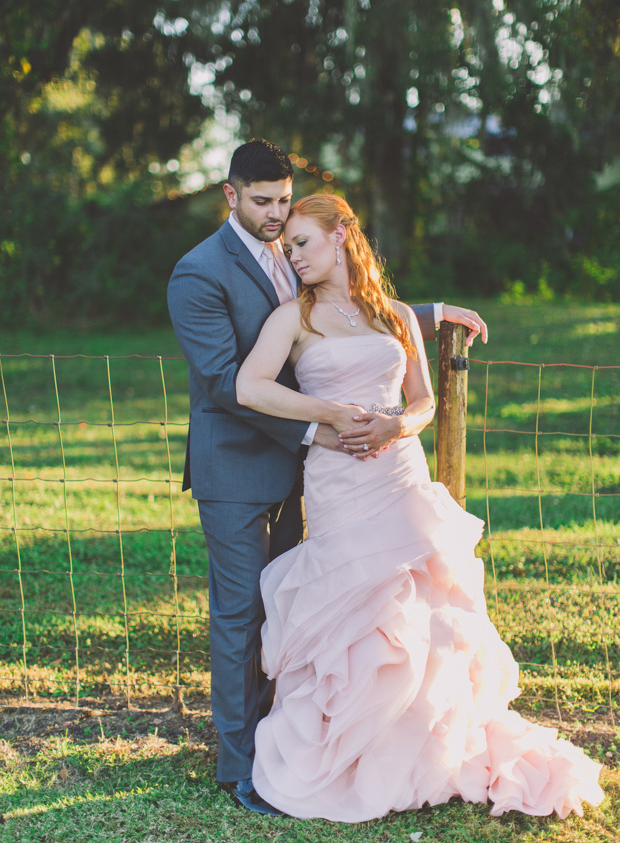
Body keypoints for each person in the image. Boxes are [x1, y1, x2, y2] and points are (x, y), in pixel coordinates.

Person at [236, 192, 604, 822]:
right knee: (357, 612)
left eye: (303, 242)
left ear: (342, 234)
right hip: (337, 480)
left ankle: (423, 747)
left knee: (420, 607)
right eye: (287, 246)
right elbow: (251, 387)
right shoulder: (291, 318)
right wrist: (329, 413)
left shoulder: (395, 314)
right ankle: (350, 754)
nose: (292, 255)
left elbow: (423, 403)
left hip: (399, 476)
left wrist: (395, 429)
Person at [167, 139, 489, 816]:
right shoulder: (197, 273)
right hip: (241, 467)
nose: (278, 218)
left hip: (306, 468)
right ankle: (240, 767)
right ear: (230, 195)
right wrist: (326, 427)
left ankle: (315, 737)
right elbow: (230, 385)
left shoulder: (293, 255)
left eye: (284, 202)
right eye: (262, 203)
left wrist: (426, 318)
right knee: (242, 614)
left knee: (308, 614)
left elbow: (348, 311)